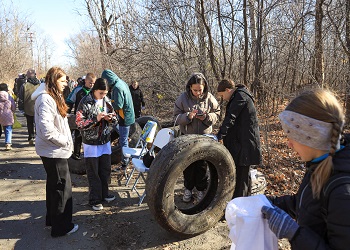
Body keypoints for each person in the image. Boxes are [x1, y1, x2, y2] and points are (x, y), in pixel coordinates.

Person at [261, 89, 350, 249]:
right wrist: (270, 203)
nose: (289, 144)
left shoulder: (342, 191)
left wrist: (294, 234)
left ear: (311, 136)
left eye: (292, 136)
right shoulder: (320, 163)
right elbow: (308, 204)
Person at [31, 67, 78, 237]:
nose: (66, 84)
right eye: (63, 80)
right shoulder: (45, 99)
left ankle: (52, 220)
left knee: (54, 185)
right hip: (54, 151)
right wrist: (65, 140)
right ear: (53, 80)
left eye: (66, 80)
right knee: (62, 190)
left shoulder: (52, 96)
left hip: (54, 150)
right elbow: (46, 130)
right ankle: (61, 227)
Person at [174, 72, 220, 202]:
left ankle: (201, 190)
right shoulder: (182, 98)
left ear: (204, 87)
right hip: (187, 137)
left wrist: (206, 117)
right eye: (195, 90)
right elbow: (176, 118)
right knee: (188, 165)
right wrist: (188, 117)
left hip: (205, 137)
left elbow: (217, 113)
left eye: (200, 90)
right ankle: (188, 189)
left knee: (202, 165)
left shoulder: (209, 97)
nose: (198, 93)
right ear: (190, 87)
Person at [75, 78, 117, 211]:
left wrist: (111, 118)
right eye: (101, 93)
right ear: (94, 90)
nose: (103, 96)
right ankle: (94, 199)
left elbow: (115, 117)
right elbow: (79, 123)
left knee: (105, 169)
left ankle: (105, 193)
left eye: (105, 93)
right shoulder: (85, 101)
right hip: (91, 142)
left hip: (105, 140)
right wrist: (96, 119)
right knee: (93, 172)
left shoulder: (107, 100)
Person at [216, 79, 261, 198]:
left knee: (242, 176)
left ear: (228, 90)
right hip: (241, 142)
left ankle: (239, 205)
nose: (223, 98)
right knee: (243, 176)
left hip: (245, 143)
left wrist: (219, 136)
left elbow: (231, 117)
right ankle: (245, 201)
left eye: (222, 95)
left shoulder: (240, 97)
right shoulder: (238, 95)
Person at [101, 69, 135, 171]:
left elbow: (118, 105)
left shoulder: (117, 88)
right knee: (120, 131)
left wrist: (109, 102)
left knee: (123, 141)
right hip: (128, 114)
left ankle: (125, 164)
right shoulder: (121, 82)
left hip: (125, 117)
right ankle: (125, 136)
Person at [66, 73, 96, 160]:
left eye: (93, 83)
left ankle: (89, 155)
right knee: (78, 135)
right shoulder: (78, 90)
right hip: (79, 117)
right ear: (85, 80)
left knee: (89, 136)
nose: (91, 85)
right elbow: (70, 101)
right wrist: (67, 112)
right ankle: (76, 154)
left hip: (91, 118)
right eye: (90, 83)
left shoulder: (95, 91)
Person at [18, 69, 41, 145]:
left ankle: (31, 137)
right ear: (35, 75)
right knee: (38, 123)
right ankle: (38, 138)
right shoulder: (40, 85)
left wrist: (21, 108)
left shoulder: (24, 86)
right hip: (39, 108)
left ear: (28, 75)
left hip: (28, 108)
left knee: (30, 123)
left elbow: (21, 98)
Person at [0, 83, 16, 150]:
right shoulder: (9, 97)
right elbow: (13, 107)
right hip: (8, 115)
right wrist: (13, 111)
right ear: (6, 89)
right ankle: (8, 144)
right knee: (8, 129)